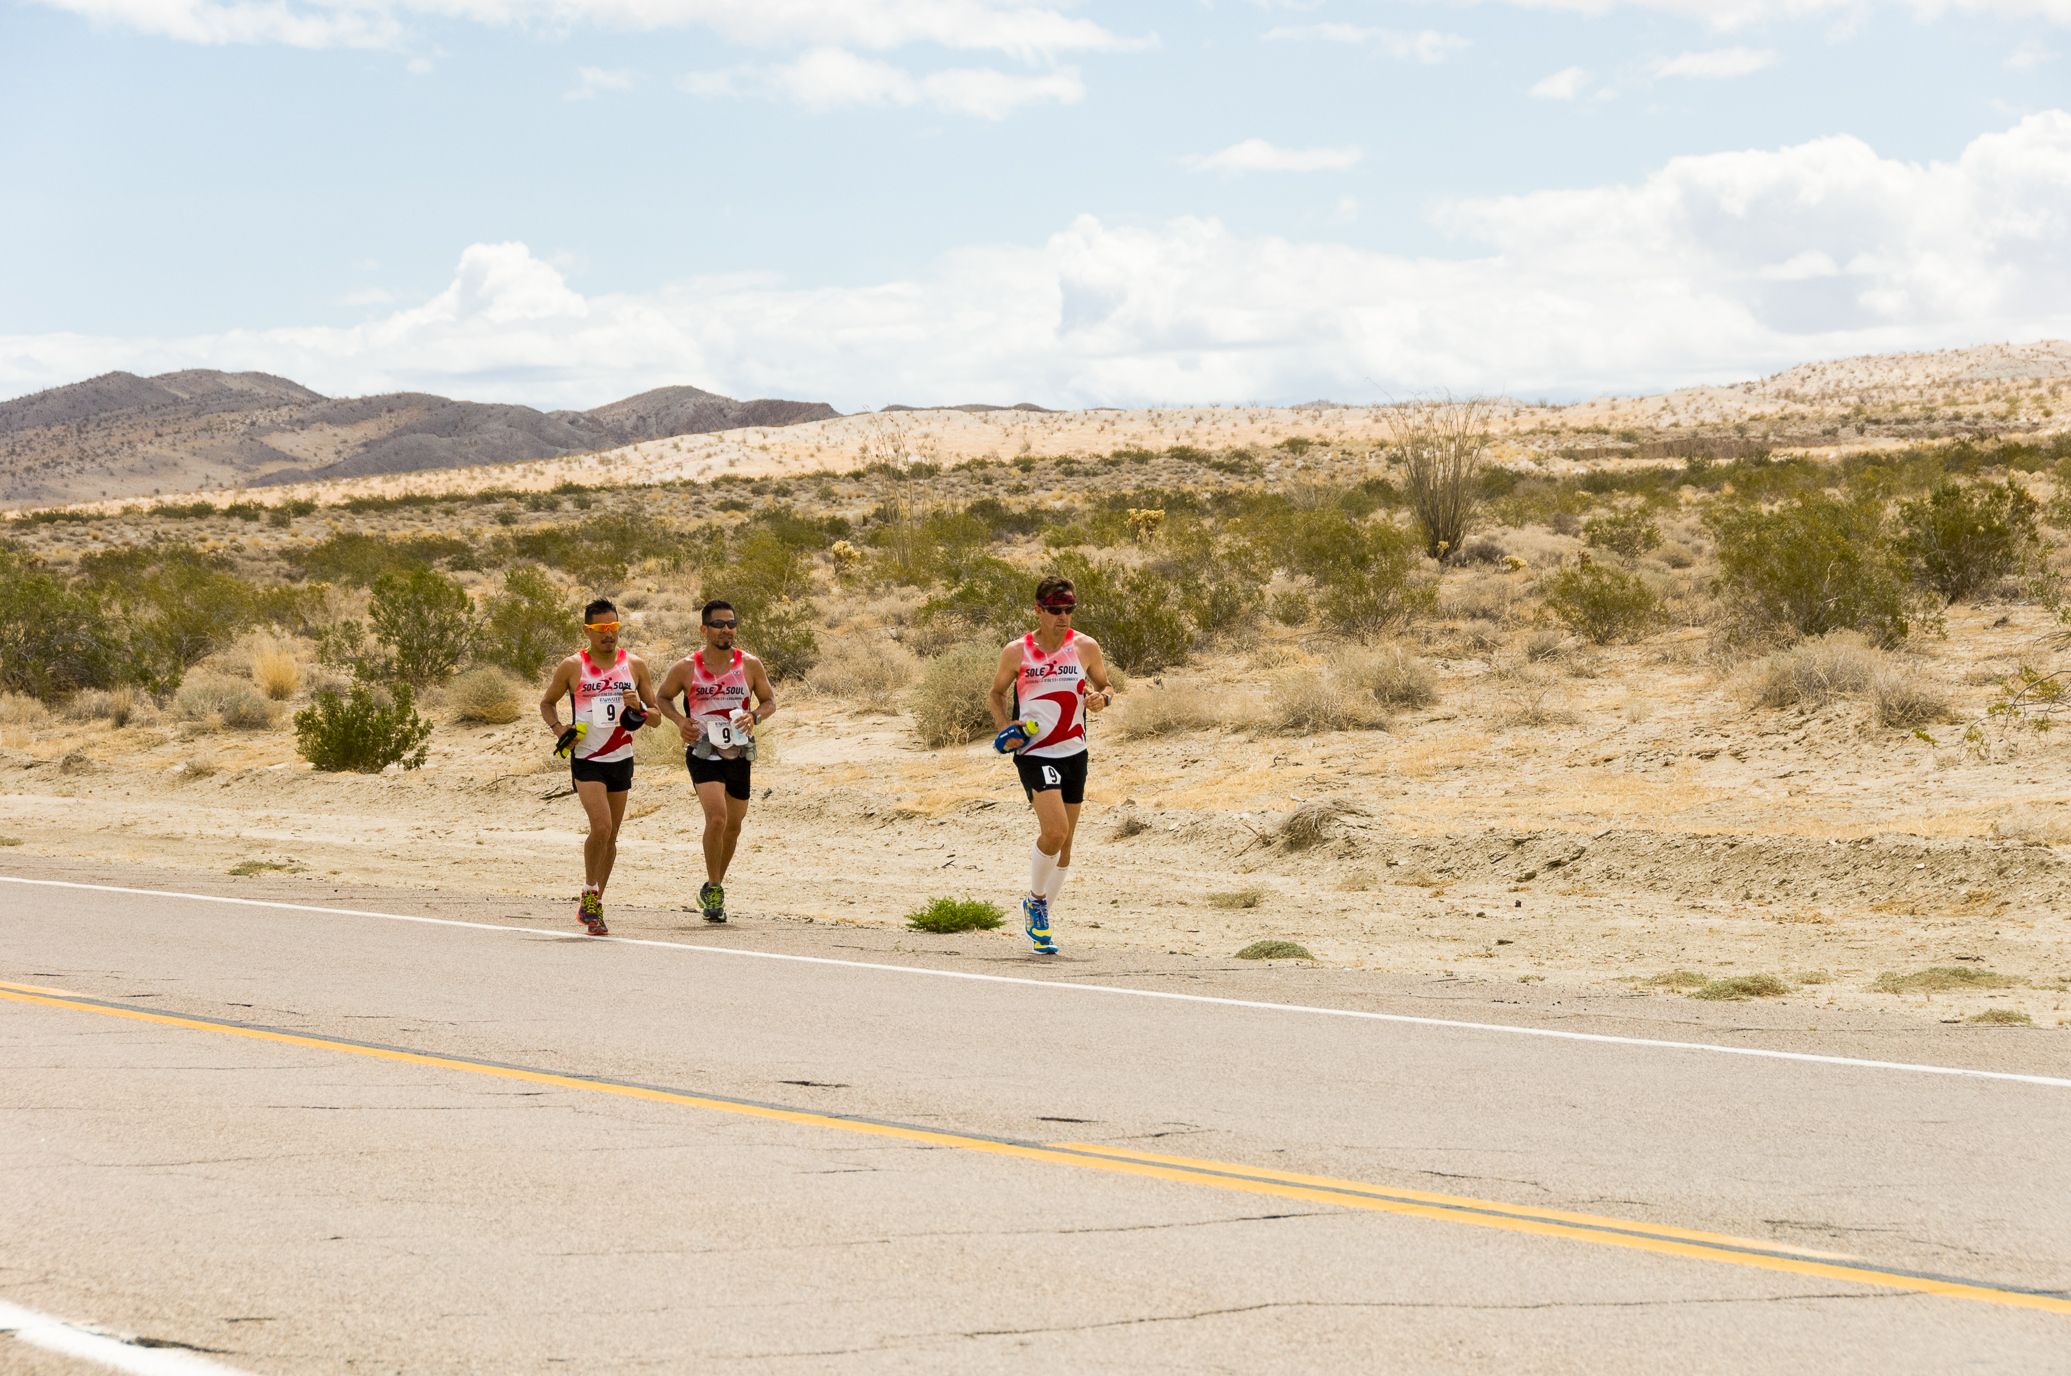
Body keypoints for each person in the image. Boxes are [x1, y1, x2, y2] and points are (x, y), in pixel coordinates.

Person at [988, 575, 1114, 955]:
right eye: (1055, 610)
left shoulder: (1085, 647)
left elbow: (1107, 686)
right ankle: (1036, 900)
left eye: (1069, 609)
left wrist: (1102, 700)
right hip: (1034, 752)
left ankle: (1039, 914)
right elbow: (996, 693)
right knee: (1055, 832)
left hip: (1074, 750)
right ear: (1038, 609)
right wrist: (1005, 728)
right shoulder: (1017, 652)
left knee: (1067, 846)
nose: (1063, 616)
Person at [656, 600, 779, 924]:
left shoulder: (750, 664)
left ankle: (714, 884)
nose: (726, 629)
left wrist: (754, 716)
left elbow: (769, 701)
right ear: (704, 629)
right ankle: (715, 891)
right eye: (719, 624)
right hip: (703, 752)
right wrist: (680, 721)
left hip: (739, 752)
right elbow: (662, 697)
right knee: (718, 820)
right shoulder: (686, 668)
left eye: (731, 623)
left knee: (734, 827)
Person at [539, 598, 657, 936]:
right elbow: (547, 703)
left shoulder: (634, 665)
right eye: (601, 629)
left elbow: (657, 719)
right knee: (601, 827)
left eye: (614, 628)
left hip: (621, 758)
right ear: (587, 631)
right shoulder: (572, 666)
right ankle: (589, 891)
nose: (609, 634)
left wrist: (642, 709)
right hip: (587, 758)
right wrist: (560, 730)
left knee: (612, 836)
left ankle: (595, 904)